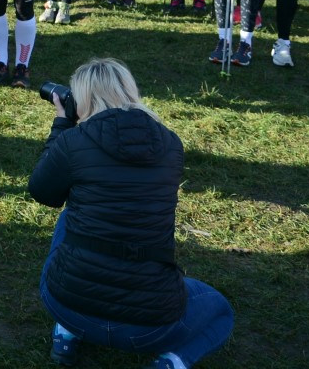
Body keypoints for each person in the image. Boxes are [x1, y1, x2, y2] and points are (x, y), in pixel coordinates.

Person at [30, 58, 234, 368]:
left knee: (71, 215)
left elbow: (43, 193)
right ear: (129, 90)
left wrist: (62, 125)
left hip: (67, 304)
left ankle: (68, 334)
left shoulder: (74, 141)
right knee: (219, 310)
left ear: (82, 98)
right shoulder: (171, 145)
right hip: (150, 324)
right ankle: (172, 363)